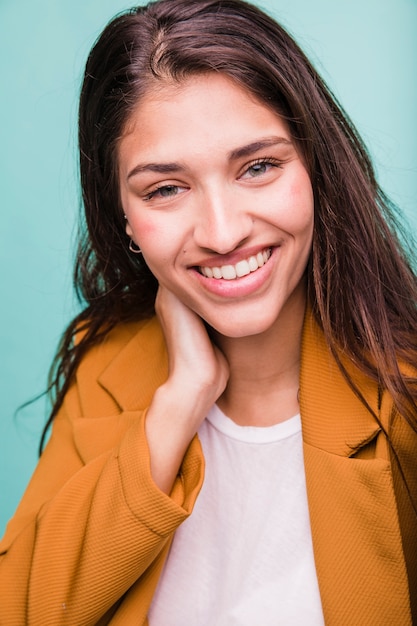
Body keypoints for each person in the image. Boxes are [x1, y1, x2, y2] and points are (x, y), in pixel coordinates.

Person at [1, 0, 416, 623]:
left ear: (318, 170)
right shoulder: (108, 364)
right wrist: (179, 402)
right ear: (124, 217)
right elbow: (24, 609)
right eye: (165, 189)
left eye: (259, 167)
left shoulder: (404, 393)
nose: (222, 234)